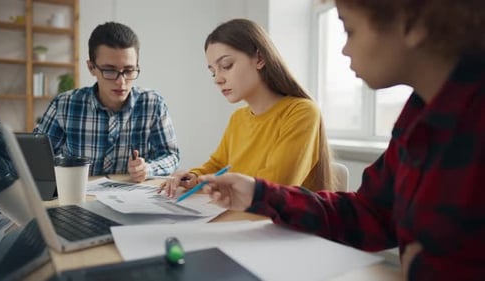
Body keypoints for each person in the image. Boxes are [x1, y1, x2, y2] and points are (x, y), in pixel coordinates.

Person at [199, 1, 485, 280]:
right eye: (212, 72)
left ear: (413, 20)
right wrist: (259, 195)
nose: (344, 49)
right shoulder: (418, 114)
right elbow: (372, 212)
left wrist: (422, 267)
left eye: (349, 30)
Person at [160, 19, 334, 197]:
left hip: (284, 221)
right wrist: (194, 176)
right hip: (244, 216)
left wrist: (218, 185)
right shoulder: (239, 118)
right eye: (213, 71)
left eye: (226, 66)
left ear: (259, 58)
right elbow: (218, 165)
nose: (217, 79)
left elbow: (276, 186)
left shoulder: (302, 112)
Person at [34, 22, 179, 183]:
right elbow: (37, 158)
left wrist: (148, 168)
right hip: (79, 198)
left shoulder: (153, 104)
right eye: (110, 70)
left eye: (129, 70)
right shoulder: (64, 105)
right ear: (91, 67)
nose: (121, 82)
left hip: (132, 201)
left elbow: (171, 155)